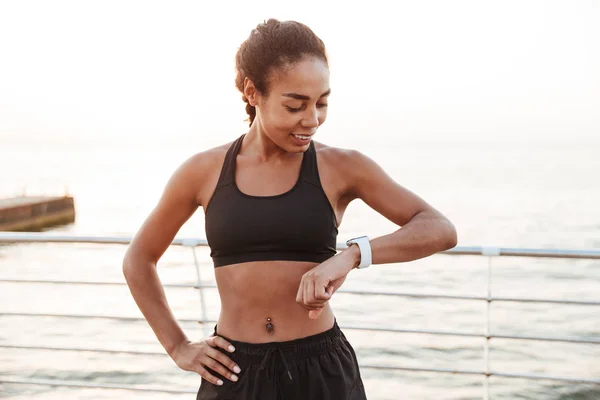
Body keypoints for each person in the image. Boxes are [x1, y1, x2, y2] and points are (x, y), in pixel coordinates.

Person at [123, 18, 457, 400]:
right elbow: (139, 259)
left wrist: (350, 255)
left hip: (321, 371)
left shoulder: (342, 167)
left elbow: (439, 229)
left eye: (322, 103)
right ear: (253, 92)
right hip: (233, 371)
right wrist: (178, 347)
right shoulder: (203, 171)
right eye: (296, 105)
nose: (312, 119)